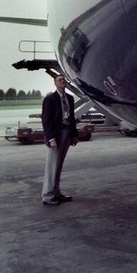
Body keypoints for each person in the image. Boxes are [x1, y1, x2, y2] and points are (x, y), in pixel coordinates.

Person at [40, 74, 79, 206]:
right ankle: (47, 196)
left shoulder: (70, 98)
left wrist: (74, 134)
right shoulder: (49, 99)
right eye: (59, 80)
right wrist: (51, 139)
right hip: (56, 135)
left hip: (67, 132)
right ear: (55, 83)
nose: (62, 81)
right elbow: (46, 121)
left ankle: (56, 193)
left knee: (59, 165)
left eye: (64, 80)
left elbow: (72, 118)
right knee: (52, 166)